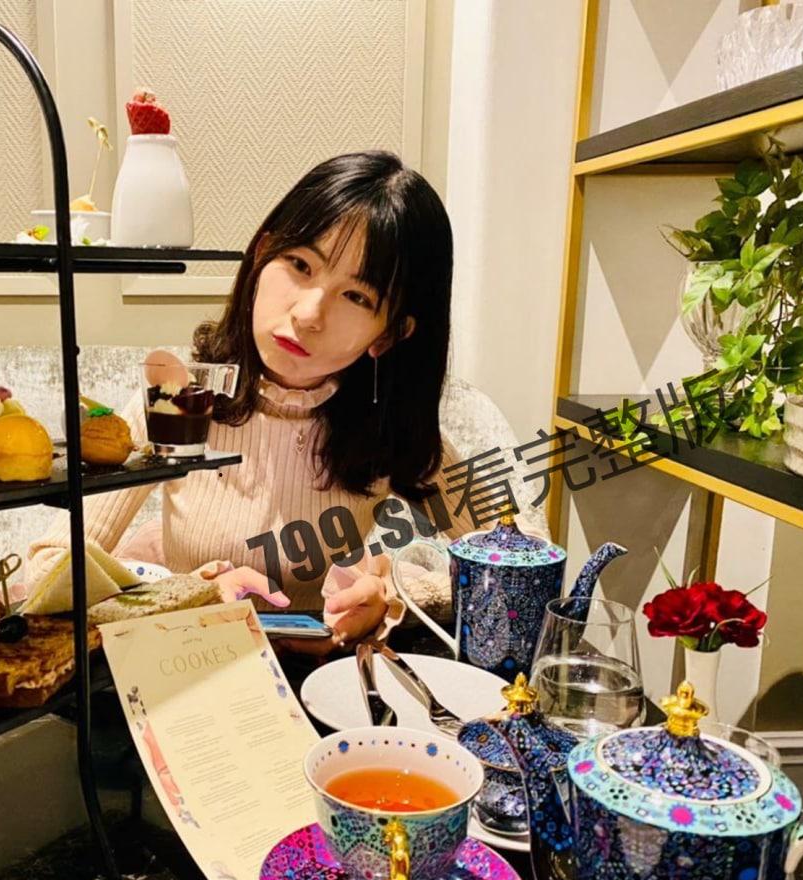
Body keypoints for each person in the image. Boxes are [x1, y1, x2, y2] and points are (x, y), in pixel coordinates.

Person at [28, 150, 515, 654]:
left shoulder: (388, 427)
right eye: (300, 264)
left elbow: (517, 560)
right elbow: (48, 568)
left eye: (357, 297)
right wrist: (189, 596)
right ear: (262, 255)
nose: (309, 313)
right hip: (181, 672)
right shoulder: (177, 401)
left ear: (389, 334)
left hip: (319, 684)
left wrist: (394, 596)